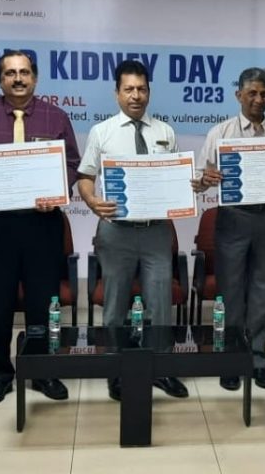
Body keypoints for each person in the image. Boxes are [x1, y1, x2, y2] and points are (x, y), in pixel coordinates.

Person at [0, 50, 81, 405]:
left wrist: (58, 192)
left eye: (24, 72)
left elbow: (72, 163)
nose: (18, 78)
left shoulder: (56, 116)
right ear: (0, 80)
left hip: (43, 225)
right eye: (10, 73)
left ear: (35, 78)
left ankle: (43, 370)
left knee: (44, 302)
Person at [76, 60, 188, 401]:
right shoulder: (102, 132)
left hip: (156, 232)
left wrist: (190, 184)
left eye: (141, 89)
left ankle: (161, 369)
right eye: (129, 89)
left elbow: (174, 177)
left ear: (149, 92)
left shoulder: (165, 131)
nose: (135, 95)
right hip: (116, 232)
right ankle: (116, 371)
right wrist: (92, 202)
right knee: (115, 306)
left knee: (160, 304)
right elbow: (85, 178)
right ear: (117, 93)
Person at [192, 67, 265, 391]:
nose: (259, 99)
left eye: (264, 93)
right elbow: (199, 182)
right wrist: (205, 179)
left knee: (262, 289)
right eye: (252, 93)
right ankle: (230, 358)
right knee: (230, 292)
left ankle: (258, 359)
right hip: (232, 217)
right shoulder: (220, 133)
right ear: (239, 95)